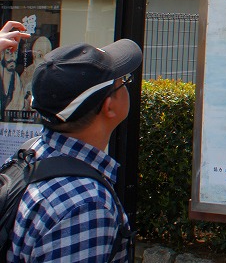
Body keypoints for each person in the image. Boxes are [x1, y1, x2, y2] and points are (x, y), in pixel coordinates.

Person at [7, 38, 141, 263]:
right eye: (122, 81)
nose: (126, 85)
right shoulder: (85, 205)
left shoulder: (31, 152)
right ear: (109, 106)